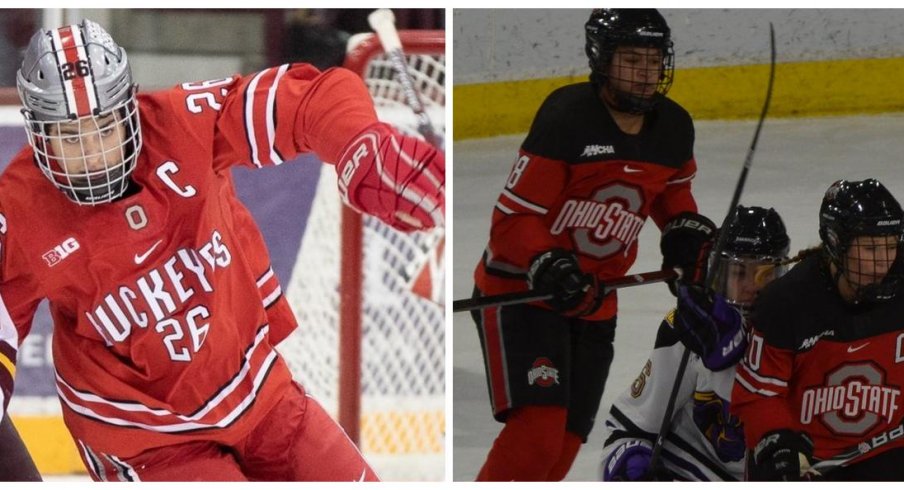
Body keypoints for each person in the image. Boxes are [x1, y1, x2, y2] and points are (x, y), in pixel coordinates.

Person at [0, 19, 444, 482]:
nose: (93, 155)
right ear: (38, 134)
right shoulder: (18, 208)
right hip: (145, 441)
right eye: (70, 138)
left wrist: (357, 141)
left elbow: (312, 96)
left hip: (264, 397)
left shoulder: (181, 122)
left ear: (128, 108)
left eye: (105, 128)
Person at [469, 9, 714, 481]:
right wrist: (551, 265)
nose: (645, 74)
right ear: (601, 60)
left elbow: (672, 192)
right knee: (534, 438)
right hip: (523, 294)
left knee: (561, 450)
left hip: (597, 302)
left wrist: (683, 233)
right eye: (631, 60)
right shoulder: (568, 119)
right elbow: (512, 220)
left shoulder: (674, 127)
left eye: (653, 61)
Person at [600, 206, 790, 481]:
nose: (752, 286)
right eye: (739, 273)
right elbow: (628, 430)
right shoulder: (691, 327)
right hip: (689, 467)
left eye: (764, 274)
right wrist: (633, 468)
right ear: (719, 273)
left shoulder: (798, 335)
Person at [731, 179, 904, 481]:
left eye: (890, 246)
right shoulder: (788, 301)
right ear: (836, 242)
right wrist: (779, 444)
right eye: (871, 247)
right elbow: (757, 394)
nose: (882, 262)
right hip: (808, 461)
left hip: (886, 450)